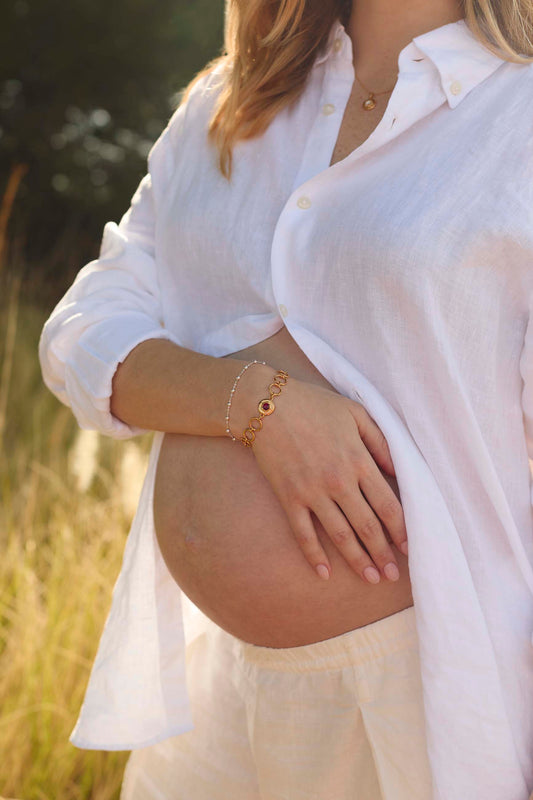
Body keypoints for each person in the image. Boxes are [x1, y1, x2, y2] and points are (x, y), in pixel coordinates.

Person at [38, 0, 533, 796]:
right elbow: (84, 327)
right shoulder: (229, 105)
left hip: (430, 690)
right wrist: (254, 403)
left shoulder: (517, 117)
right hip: (212, 684)